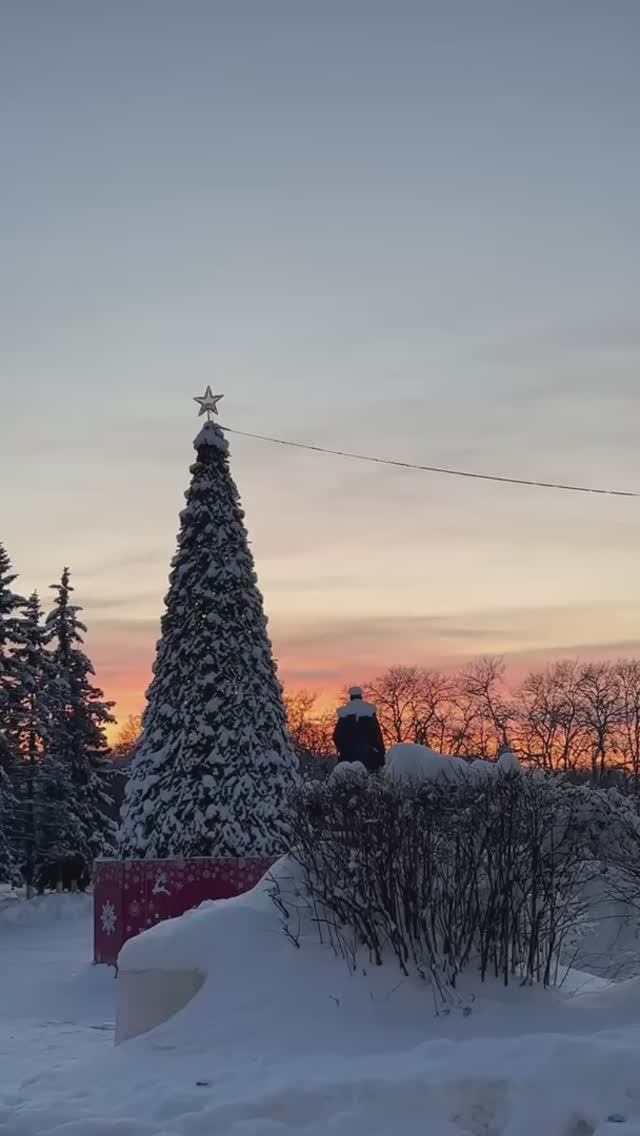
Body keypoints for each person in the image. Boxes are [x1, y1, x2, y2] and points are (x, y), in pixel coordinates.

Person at [333, 686, 385, 772]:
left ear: (351, 697)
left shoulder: (344, 715)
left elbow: (337, 737)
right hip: (368, 758)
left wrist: (343, 748)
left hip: (348, 757)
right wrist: (381, 755)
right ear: (361, 696)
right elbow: (377, 736)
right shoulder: (369, 713)